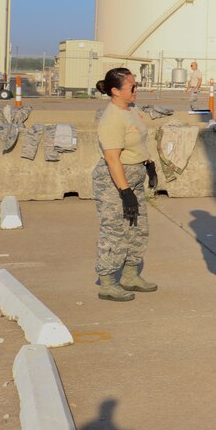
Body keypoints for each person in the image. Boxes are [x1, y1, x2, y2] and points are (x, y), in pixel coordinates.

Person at [93, 67, 159, 302]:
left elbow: (137, 139)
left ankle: (130, 276)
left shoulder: (132, 109)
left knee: (139, 228)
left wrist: (148, 163)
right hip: (115, 181)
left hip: (135, 176)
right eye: (132, 87)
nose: (136, 90)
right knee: (115, 231)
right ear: (115, 91)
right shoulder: (111, 118)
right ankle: (108, 282)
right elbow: (112, 159)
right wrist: (125, 192)